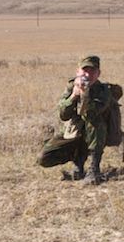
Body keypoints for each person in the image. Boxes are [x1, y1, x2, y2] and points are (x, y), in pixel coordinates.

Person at [37, 55, 113, 184]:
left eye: (92, 71)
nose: (87, 75)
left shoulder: (103, 91)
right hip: (75, 131)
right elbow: (63, 115)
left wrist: (85, 95)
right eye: (84, 70)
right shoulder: (72, 86)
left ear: (98, 74)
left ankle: (94, 169)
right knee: (44, 158)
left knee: (94, 124)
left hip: (98, 134)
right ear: (78, 72)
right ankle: (78, 164)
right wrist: (73, 96)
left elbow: (90, 115)